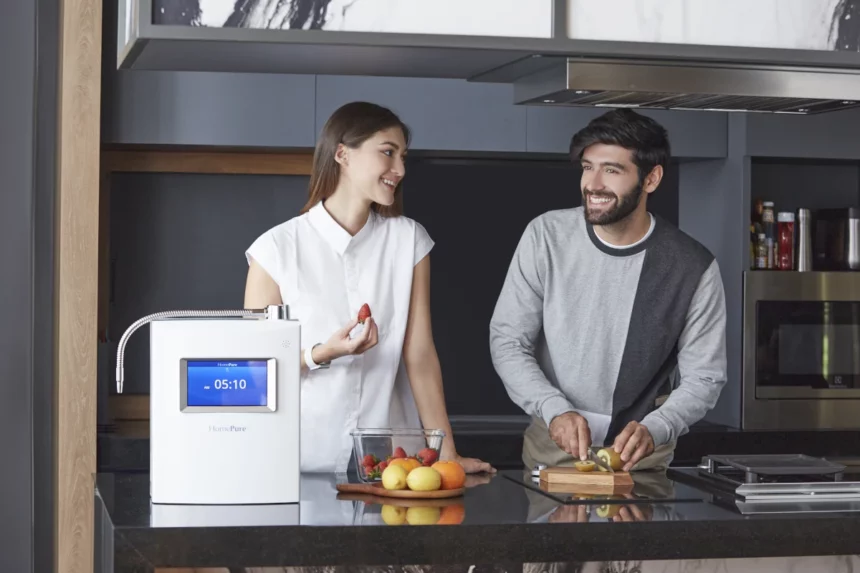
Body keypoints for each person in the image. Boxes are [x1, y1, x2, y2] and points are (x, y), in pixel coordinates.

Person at [244, 101, 493, 475]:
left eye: (403, 157)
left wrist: (446, 454)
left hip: (392, 461)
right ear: (342, 153)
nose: (401, 169)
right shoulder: (275, 249)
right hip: (298, 456)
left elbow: (420, 355)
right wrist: (321, 353)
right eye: (388, 153)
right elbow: (255, 368)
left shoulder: (409, 240)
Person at [489, 109, 727, 473]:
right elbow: (508, 341)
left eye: (612, 170)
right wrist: (555, 409)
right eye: (587, 167)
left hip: (640, 461)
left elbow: (705, 377)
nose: (593, 184)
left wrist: (657, 427)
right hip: (552, 450)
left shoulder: (693, 266)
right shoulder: (546, 235)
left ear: (651, 178)